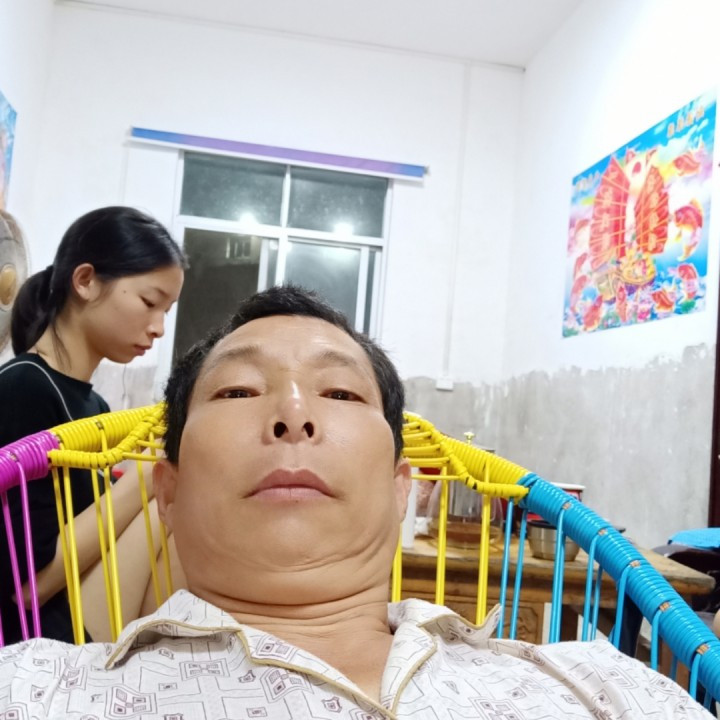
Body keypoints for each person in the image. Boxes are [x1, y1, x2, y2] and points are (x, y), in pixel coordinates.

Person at [0, 285, 713, 718]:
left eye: (340, 392)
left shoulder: (596, 683)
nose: (293, 415)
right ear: (169, 490)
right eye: (239, 390)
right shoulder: (37, 690)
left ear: (402, 487)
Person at [0, 206, 184, 645]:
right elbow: (26, 589)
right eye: (149, 302)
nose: (159, 328)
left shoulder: (95, 405)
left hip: (88, 610)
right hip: (40, 633)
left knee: (184, 505)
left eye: (167, 310)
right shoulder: (22, 387)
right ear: (85, 281)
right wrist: (144, 476)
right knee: (169, 496)